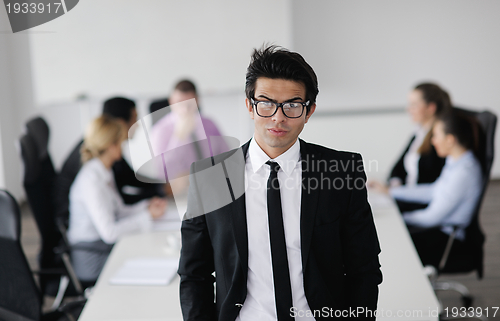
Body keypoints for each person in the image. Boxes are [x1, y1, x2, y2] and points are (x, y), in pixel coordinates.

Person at [177, 46, 382, 320]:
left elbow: (364, 269)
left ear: (309, 112)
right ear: (250, 106)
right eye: (266, 103)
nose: (278, 117)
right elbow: (194, 275)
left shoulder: (341, 172)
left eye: (292, 106)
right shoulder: (210, 178)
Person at [67, 115, 167, 283]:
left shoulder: (104, 171)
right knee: (146, 262)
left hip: (103, 247)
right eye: (120, 142)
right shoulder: (92, 182)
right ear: (110, 145)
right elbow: (110, 233)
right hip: (93, 256)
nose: (123, 146)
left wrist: (146, 207)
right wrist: (147, 217)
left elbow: (119, 210)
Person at [387, 110, 483, 268]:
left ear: (450, 139)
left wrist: (400, 219)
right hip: (437, 229)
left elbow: (433, 217)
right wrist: (391, 192)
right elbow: (433, 191)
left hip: (446, 239)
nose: (432, 141)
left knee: (391, 243)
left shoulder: (464, 173)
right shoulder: (455, 161)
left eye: (436, 135)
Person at [54, 97, 165, 222]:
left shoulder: (103, 149)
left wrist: (160, 189)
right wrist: (158, 194)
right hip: (79, 224)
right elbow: (119, 202)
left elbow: (130, 179)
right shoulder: (96, 159)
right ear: (120, 123)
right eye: (135, 118)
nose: (138, 124)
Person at [149, 80, 228, 187]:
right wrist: (179, 137)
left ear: (197, 101)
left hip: (211, 186)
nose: (185, 109)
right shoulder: (160, 130)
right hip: (180, 193)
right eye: (179, 102)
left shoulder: (209, 124)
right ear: (171, 101)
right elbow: (162, 172)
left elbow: (227, 156)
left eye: (189, 103)